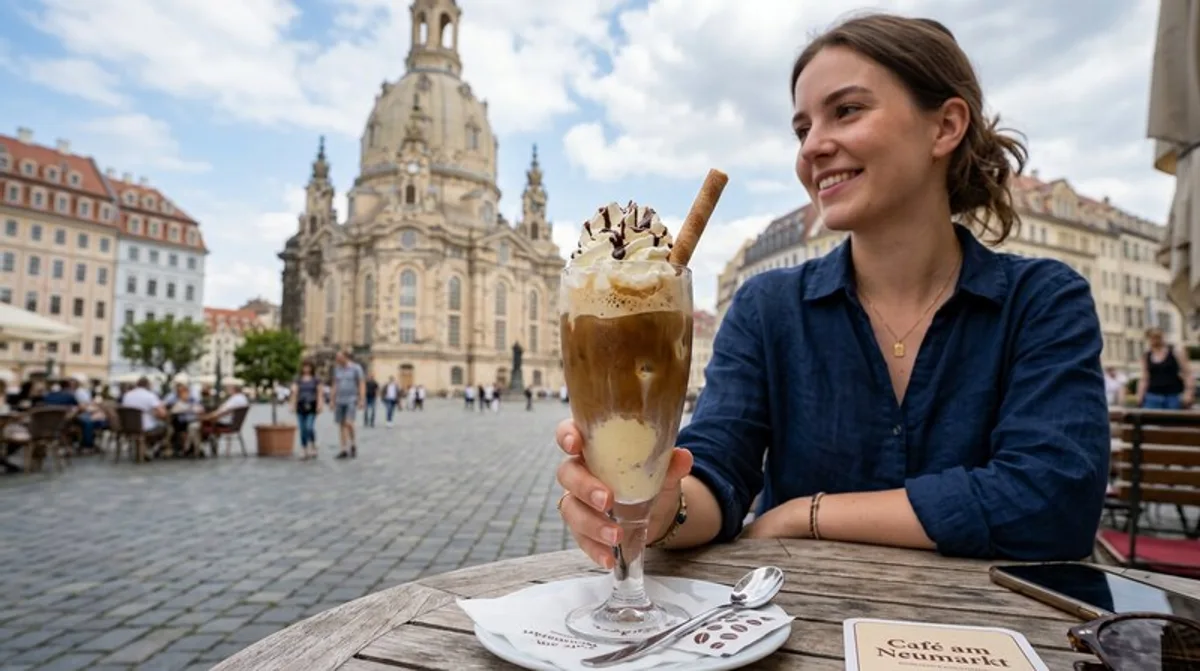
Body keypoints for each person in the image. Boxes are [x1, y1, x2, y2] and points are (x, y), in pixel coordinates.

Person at [553, 13, 1110, 566]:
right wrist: (660, 508)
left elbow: (1052, 502)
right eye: (802, 130)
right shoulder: (766, 307)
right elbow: (717, 469)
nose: (812, 147)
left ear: (945, 126)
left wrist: (806, 515)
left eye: (846, 111)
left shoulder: (1042, 300)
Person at [1136, 326, 1193, 409]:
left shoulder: (1176, 353)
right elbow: (1144, 378)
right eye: (1152, 337)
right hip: (1152, 396)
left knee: (1172, 417)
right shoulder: (1146, 356)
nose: (1155, 340)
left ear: (1162, 337)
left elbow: (1187, 373)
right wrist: (1140, 396)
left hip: (1173, 395)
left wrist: (1188, 392)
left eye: (1157, 337)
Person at [331, 350, 365, 459]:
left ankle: (353, 443)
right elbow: (335, 384)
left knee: (349, 422)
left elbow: (361, 383)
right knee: (341, 424)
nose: (337, 359)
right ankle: (343, 449)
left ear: (345, 357)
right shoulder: (337, 369)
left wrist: (361, 399)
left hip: (352, 399)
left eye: (339, 357)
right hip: (340, 399)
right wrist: (332, 400)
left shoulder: (356, 368)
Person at [292, 360, 323, 460]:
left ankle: (313, 444)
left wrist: (320, 404)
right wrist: (293, 404)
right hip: (301, 404)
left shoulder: (316, 379)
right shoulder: (298, 379)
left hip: (312, 404)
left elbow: (319, 392)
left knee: (309, 427)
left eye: (308, 367)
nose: (306, 369)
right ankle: (304, 448)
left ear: (311, 368)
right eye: (304, 366)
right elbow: (295, 392)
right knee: (302, 428)